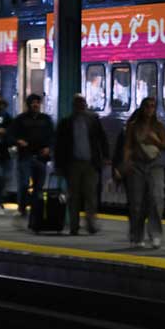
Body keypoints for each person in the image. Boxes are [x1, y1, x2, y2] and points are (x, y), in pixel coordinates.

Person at [55, 95, 108, 236]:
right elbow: (59, 146)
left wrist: (105, 156)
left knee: (90, 195)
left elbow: (102, 139)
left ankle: (90, 224)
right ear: (74, 106)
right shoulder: (66, 123)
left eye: (83, 103)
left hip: (90, 163)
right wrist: (59, 166)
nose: (81, 106)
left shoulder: (93, 121)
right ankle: (74, 226)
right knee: (74, 196)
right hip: (73, 163)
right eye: (78, 103)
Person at [123, 97, 165, 249]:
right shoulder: (133, 126)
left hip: (155, 165)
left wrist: (155, 140)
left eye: (152, 106)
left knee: (156, 199)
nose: (150, 109)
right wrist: (125, 163)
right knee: (137, 202)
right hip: (137, 164)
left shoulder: (159, 126)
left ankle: (155, 234)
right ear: (142, 108)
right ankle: (137, 236)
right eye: (147, 106)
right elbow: (128, 145)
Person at [11, 94, 54, 219]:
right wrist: (18, 141)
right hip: (25, 155)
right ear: (28, 104)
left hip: (41, 157)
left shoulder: (46, 119)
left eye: (37, 102)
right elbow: (11, 135)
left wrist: (48, 148)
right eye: (33, 102)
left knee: (38, 186)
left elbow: (52, 136)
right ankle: (22, 208)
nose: (35, 105)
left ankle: (36, 209)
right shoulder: (20, 119)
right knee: (24, 183)